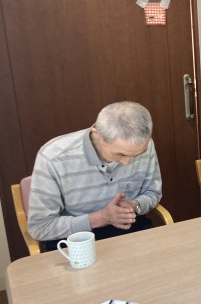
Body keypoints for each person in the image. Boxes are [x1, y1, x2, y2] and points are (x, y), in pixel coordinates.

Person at [28, 101, 162, 251]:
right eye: (120, 154)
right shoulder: (53, 157)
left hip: (131, 228)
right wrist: (102, 218)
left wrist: (133, 206)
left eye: (137, 155)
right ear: (96, 134)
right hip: (75, 239)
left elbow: (152, 193)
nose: (127, 163)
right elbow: (40, 227)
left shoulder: (143, 145)